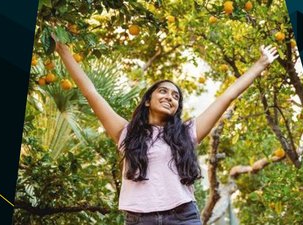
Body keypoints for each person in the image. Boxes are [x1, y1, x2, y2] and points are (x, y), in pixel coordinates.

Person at [54, 38, 278, 224]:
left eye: (175, 96)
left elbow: (226, 97)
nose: (170, 97)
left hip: (183, 216)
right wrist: (63, 52)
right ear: (148, 101)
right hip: (139, 219)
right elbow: (91, 92)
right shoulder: (126, 132)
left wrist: (260, 64)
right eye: (163, 91)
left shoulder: (188, 132)